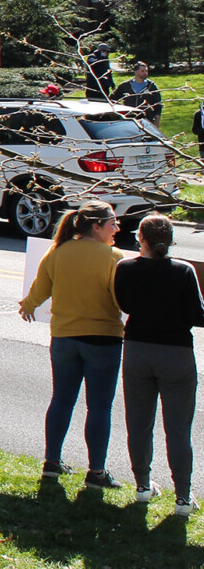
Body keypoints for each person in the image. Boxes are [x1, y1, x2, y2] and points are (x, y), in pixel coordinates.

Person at [18, 200, 125, 490]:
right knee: (99, 407)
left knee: (62, 400)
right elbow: (120, 301)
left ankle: (51, 463)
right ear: (96, 226)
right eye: (113, 222)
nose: (117, 227)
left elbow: (40, 289)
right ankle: (96, 472)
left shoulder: (58, 252)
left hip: (64, 338)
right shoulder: (113, 256)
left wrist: (28, 306)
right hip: (103, 339)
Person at [115, 214, 204, 516]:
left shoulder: (124, 268)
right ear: (171, 239)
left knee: (139, 424)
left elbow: (124, 304)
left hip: (138, 349)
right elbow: (197, 316)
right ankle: (182, 498)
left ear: (140, 237)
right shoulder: (183, 271)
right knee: (178, 430)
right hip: (176, 354)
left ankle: (142, 485)